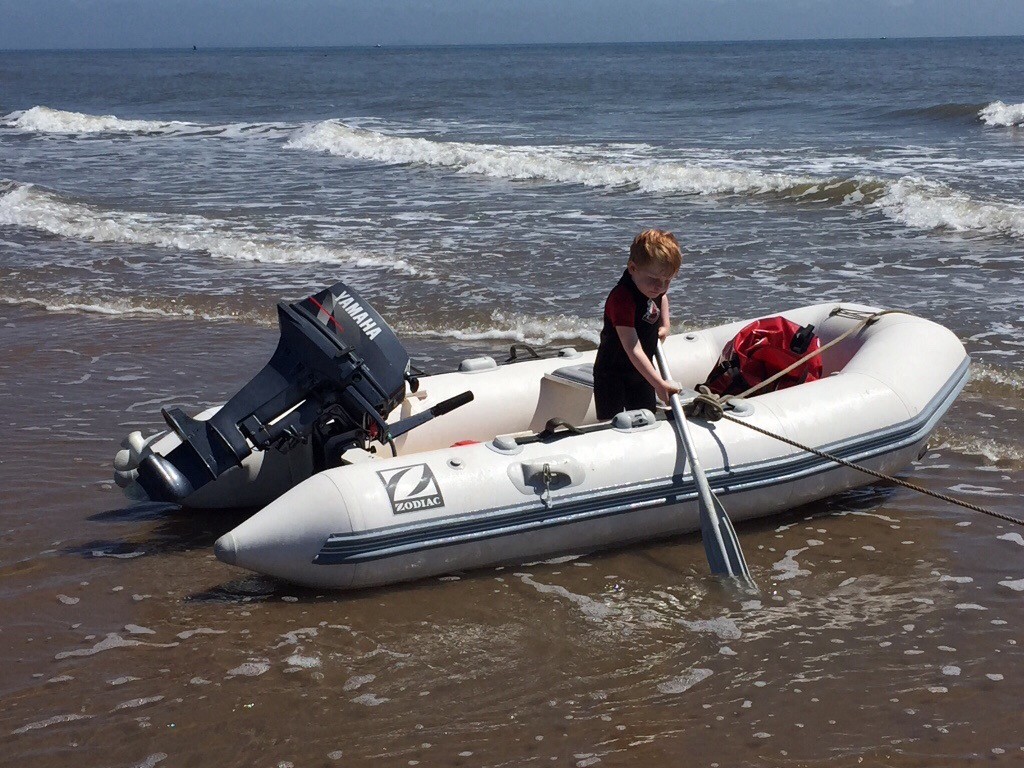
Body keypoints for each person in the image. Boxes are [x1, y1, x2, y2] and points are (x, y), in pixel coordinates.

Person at [593, 229, 682, 420]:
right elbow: (632, 347)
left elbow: (662, 298)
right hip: (612, 373)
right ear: (633, 268)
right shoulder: (622, 299)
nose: (660, 286)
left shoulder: (651, 288)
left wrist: (665, 325)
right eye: (654, 279)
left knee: (646, 415)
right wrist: (659, 383)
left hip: (641, 371)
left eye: (667, 281)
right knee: (613, 420)